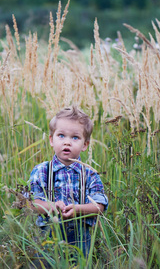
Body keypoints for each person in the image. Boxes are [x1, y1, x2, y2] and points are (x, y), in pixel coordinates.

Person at [29, 106, 108, 259]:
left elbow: (99, 206)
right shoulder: (42, 171)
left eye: (75, 138)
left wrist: (78, 209)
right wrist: (52, 206)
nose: (67, 142)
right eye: (61, 136)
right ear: (51, 140)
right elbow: (32, 203)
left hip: (80, 242)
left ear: (85, 145)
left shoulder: (90, 173)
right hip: (47, 242)